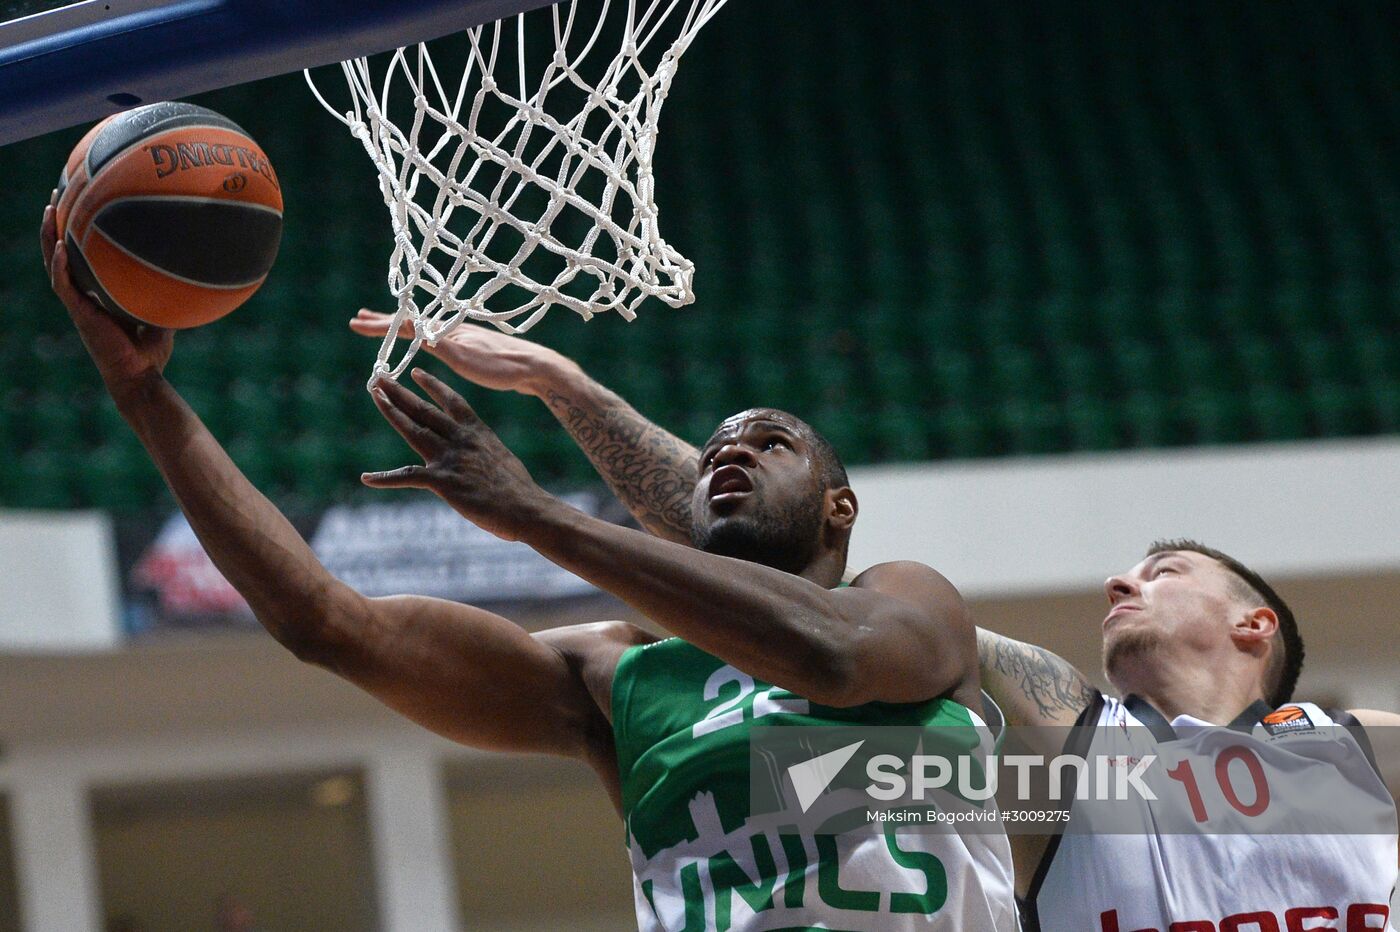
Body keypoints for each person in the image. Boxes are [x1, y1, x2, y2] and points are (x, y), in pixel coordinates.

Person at [42, 205, 1019, 930]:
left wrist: (536, 512)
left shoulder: (905, 605)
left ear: (838, 506)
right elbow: (325, 621)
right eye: (718, 445)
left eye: (771, 443)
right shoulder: (615, 676)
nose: (732, 450)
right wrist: (146, 399)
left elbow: (828, 657)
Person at [352, 311, 1400, 930]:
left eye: (1162, 568)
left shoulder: (1352, 761)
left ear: (1254, 623)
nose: (1119, 581)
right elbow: (760, 562)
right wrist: (566, 387)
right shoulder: (1075, 760)